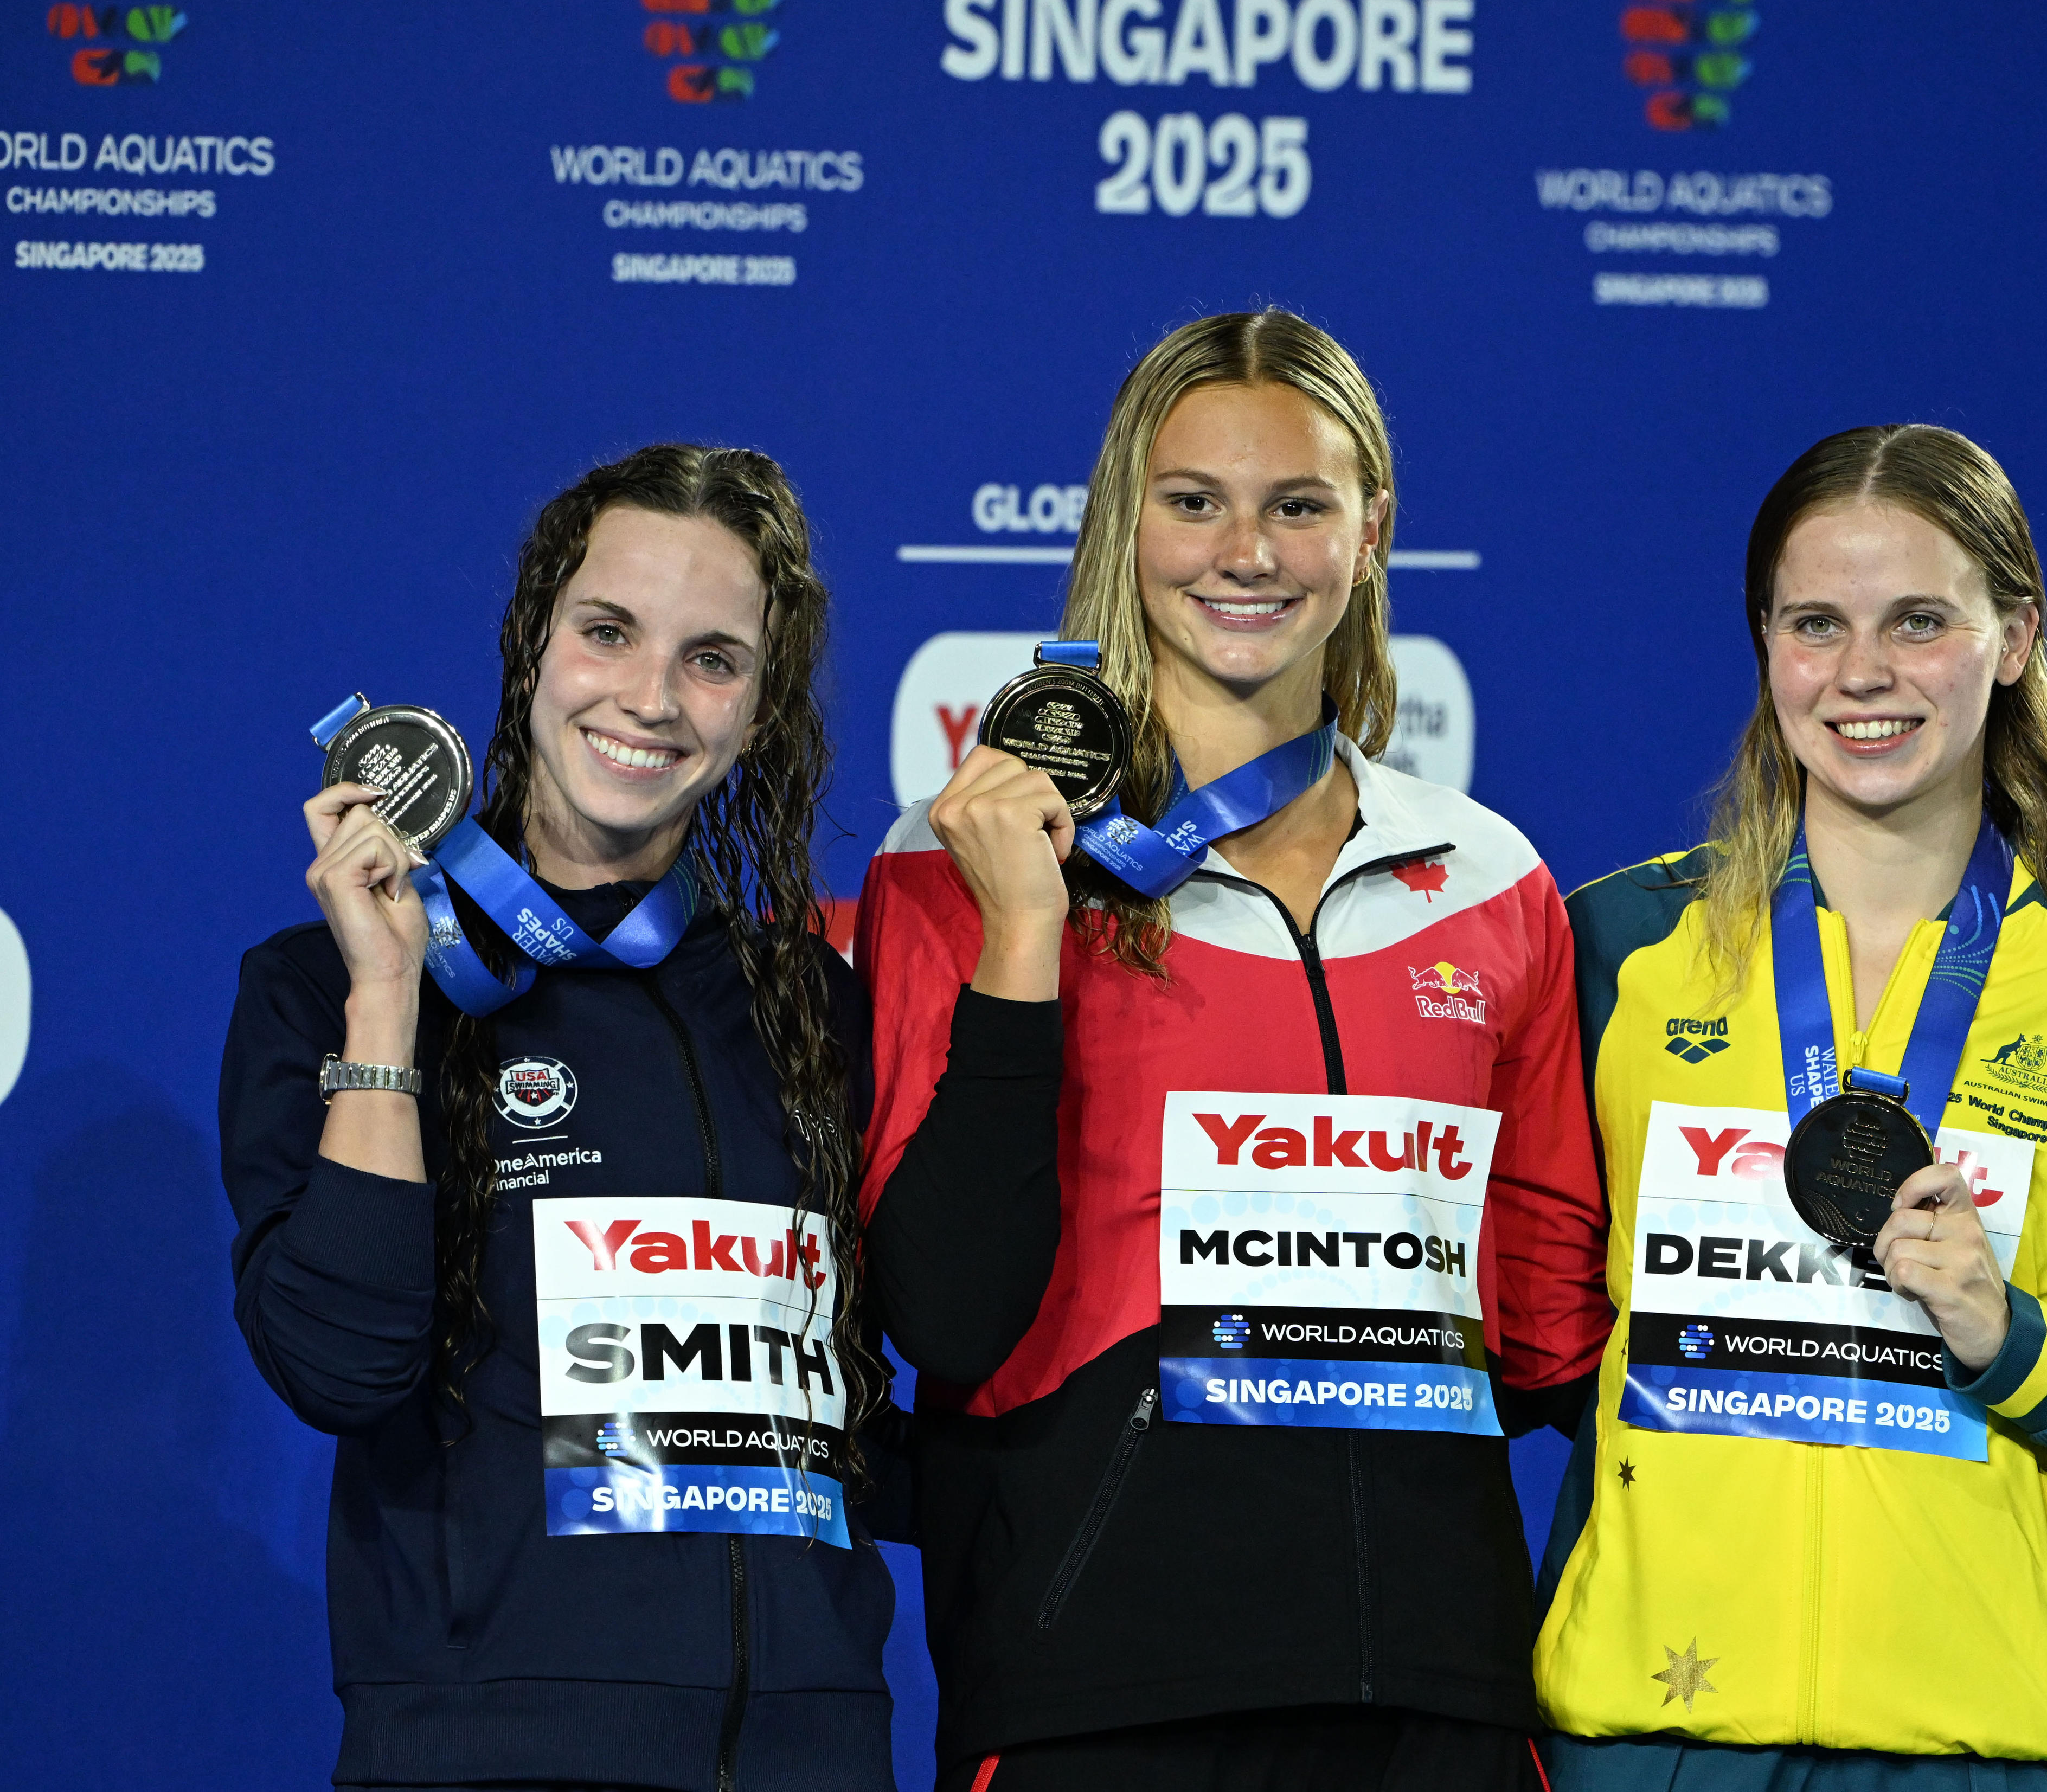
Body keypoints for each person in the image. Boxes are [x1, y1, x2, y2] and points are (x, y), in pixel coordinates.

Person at [854, 310, 1609, 1791]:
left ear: (1373, 531)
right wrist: (1024, 936)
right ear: (1128, 524)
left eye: (1299, 505)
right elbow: (942, 1311)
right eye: (1195, 501)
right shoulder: (957, 868)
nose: (1243, 551)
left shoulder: (1489, 875)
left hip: (1432, 1686)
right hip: (1097, 1685)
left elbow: (1541, 1323)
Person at [1533, 425, 2047, 1789]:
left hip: (1986, 1759)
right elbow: (1527, 1322)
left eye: (1920, 621)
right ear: (1766, 644)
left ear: (2014, 636)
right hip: (1650, 1748)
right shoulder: (1611, 950)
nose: (1862, 674)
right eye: (1815, 622)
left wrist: (2019, 1346)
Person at [221, 445, 903, 1791]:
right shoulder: (324, 985)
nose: (649, 698)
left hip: (812, 1751)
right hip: (489, 1748)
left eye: (713, 658)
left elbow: (865, 1410)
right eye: (608, 632)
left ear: (762, 707)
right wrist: (386, 999)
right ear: (534, 641)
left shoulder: (813, 1004)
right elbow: (340, 1367)